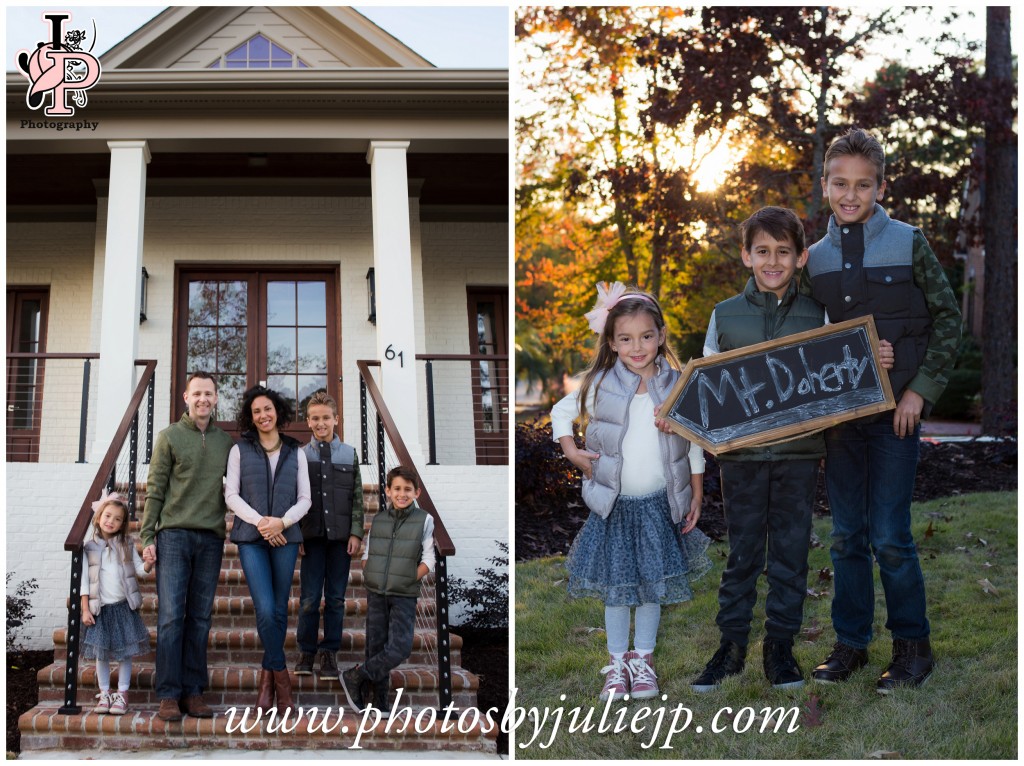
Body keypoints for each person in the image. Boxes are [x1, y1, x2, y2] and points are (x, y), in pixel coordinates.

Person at [688, 206, 893, 692]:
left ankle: (779, 647)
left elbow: (844, 369)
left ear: (802, 258)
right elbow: (707, 387)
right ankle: (730, 647)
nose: (773, 261)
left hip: (799, 455)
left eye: (784, 252)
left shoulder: (817, 313)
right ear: (746, 256)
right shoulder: (724, 315)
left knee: (790, 553)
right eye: (763, 251)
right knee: (742, 555)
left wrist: (877, 357)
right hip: (739, 459)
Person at [804, 128, 961, 693]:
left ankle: (912, 647)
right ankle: (851, 644)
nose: (851, 194)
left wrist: (919, 390)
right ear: (825, 186)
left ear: (880, 186)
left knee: (891, 534)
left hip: (897, 415)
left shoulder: (908, 240)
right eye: (840, 183)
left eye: (863, 185)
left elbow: (949, 319)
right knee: (847, 535)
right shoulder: (811, 259)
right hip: (842, 422)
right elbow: (805, 337)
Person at [551, 282, 712, 701]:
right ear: (612, 342)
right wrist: (571, 449)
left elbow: (693, 442)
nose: (637, 346)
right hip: (616, 506)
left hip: (660, 504)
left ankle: (644, 661)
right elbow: (561, 411)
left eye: (645, 336)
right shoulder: (601, 383)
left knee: (652, 586)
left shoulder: (678, 383)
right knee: (619, 588)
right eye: (626, 338)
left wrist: (695, 493)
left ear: (660, 336)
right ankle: (617, 662)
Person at [141, 371, 234, 721]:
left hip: (210, 538)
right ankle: (168, 693)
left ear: (216, 397)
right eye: (197, 393)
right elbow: (155, 491)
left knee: (200, 618)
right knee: (169, 618)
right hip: (174, 536)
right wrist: (148, 536)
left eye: (208, 394)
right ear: (185, 396)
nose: (203, 399)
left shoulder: (226, 443)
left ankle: (194, 692)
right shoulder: (169, 437)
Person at [225, 385, 311, 715]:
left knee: (278, 610)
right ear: (251, 416)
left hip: (286, 539)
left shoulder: (296, 451)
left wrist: (282, 524)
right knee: (264, 608)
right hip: (251, 538)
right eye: (257, 411)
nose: (263, 415)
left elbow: (305, 499)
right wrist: (263, 522)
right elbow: (231, 495)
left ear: (278, 411)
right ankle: (282, 679)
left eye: (268, 409)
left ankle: (266, 679)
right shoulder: (239, 450)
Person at [340, 465, 435, 716]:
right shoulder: (380, 519)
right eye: (397, 489)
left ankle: (355, 675)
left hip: (404, 593)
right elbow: (368, 552)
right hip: (376, 592)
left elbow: (428, 559)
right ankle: (378, 701)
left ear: (417, 492)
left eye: (407, 489)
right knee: (376, 645)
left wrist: (408, 579)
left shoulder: (424, 520)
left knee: (400, 646)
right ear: (388, 491)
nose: (401, 494)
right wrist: (368, 572)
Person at [294, 390, 364, 682]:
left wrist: (356, 532)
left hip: (339, 540)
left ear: (336, 419)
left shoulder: (349, 454)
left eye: (326, 418)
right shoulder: (299, 455)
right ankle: (307, 650)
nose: (321, 423)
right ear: (308, 422)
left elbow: (357, 497)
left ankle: (329, 651)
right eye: (315, 418)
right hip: (310, 538)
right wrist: (295, 533)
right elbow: (291, 497)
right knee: (310, 598)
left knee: (335, 598)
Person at [81, 491, 152, 716]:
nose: (111, 521)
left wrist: (149, 563)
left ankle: (122, 694)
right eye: (108, 516)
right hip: (100, 609)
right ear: (99, 517)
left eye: (117, 519)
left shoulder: (126, 545)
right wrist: (84, 609)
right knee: (102, 654)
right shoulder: (89, 548)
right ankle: (104, 693)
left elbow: (140, 570)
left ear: (122, 524)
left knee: (124, 653)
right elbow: (84, 581)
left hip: (123, 607)